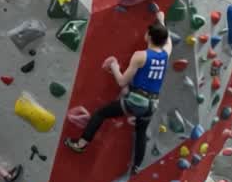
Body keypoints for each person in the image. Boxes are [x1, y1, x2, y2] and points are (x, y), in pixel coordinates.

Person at [66, 13, 172, 173]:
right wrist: (162, 20)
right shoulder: (166, 54)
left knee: (100, 114)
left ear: (149, 36)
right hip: (152, 104)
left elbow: (122, 81)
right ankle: (136, 166)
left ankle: (81, 144)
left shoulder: (141, 56)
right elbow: (167, 38)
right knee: (141, 133)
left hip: (137, 100)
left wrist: (115, 65)